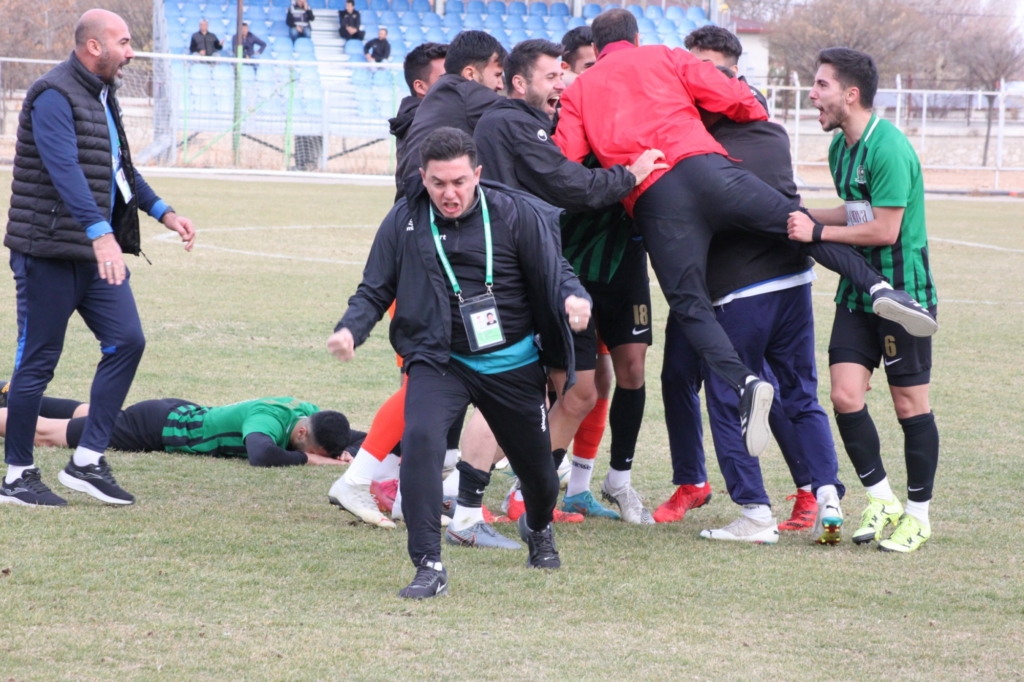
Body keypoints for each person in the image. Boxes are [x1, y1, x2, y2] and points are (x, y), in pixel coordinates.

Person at [554, 9, 938, 459]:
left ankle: (745, 382)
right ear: (636, 39)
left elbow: (569, 161)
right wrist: (749, 111)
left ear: (597, 51)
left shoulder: (581, 89)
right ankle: (880, 288)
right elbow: (730, 95)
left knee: (691, 305)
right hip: (707, 167)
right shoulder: (663, 55)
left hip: (655, 197)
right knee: (795, 224)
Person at [328, 127, 592, 598]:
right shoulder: (405, 220)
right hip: (439, 358)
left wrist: (573, 298)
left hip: (511, 362)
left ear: (477, 175)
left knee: (539, 475)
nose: (448, 194)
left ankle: (536, 527)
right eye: (437, 183)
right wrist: (351, 328)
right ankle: (429, 563)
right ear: (422, 179)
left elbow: (557, 271)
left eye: (458, 182)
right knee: (422, 442)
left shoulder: (514, 213)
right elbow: (374, 288)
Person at [656, 28, 846, 545]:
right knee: (799, 393)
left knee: (729, 392)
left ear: (730, 78)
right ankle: (827, 494)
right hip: (794, 279)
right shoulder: (770, 130)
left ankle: (755, 513)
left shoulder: (703, 145)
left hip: (740, 290)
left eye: (706, 73)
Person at [0, 10, 196, 508]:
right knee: (37, 363)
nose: (132, 51)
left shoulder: (104, 96)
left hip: (91, 253)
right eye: (125, 42)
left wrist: (163, 212)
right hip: (47, 251)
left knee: (128, 340)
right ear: (94, 47)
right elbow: (64, 170)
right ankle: (18, 475)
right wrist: (101, 235)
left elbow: (119, 171)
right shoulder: (52, 95)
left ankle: (86, 462)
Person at [474, 39, 667, 524]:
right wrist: (632, 172)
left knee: (579, 389)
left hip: (547, 271)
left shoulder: (536, 123)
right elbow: (569, 185)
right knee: (512, 386)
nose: (565, 84)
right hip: (527, 276)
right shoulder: (511, 122)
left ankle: (529, 494)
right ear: (520, 83)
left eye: (567, 74)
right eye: (554, 76)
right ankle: (463, 500)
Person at [787, 48, 940, 554]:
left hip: (901, 293)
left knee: (907, 403)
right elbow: (855, 213)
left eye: (821, 86)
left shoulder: (888, 148)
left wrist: (815, 232)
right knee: (845, 395)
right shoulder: (840, 149)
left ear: (850, 95)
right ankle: (882, 500)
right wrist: (806, 215)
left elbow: (884, 227)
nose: (812, 95)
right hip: (858, 292)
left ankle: (918, 516)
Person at [0, 396, 355, 467]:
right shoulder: (267, 422)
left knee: (94, 413)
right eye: (316, 451)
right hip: (155, 428)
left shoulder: (308, 415)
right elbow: (261, 455)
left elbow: (355, 435)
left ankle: (8, 391)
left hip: (170, 412)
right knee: (48, 434)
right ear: (303, 434)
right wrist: (308, 462)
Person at [394, 30, 507, 197]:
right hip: (426, 210)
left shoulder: (435, 108)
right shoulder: (461, 94)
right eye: (497, 75)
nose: (500, 84)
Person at [389, 42, 448, 192]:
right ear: (420, 87)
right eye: (444, 78)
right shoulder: (425, 123)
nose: (454, 83)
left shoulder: (417, 117)